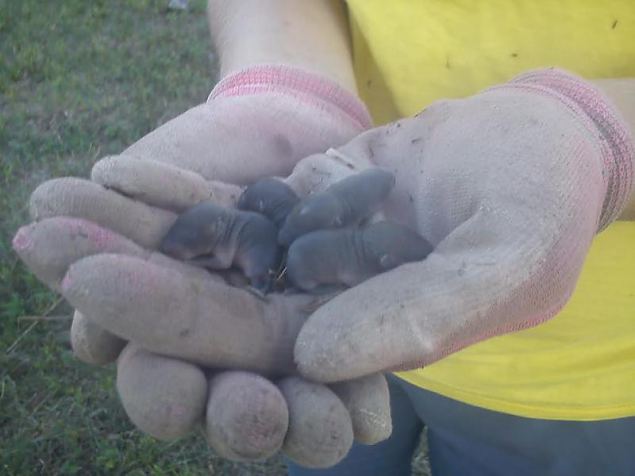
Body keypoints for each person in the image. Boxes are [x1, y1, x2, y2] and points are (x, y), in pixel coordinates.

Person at [13, 1, 635, 475]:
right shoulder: (326, 235)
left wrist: (602, 139)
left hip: (570, 378)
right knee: (324, 428)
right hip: (338, 303)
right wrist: (287, 83)